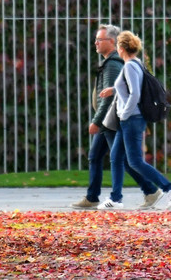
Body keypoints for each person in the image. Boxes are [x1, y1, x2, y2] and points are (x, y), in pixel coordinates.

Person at [99, 30, 171, 211]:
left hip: (131, 119)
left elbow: (135, 94)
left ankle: (170, 188)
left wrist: (125, 113)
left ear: (121, 47)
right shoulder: (136, 63)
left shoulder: (129, 66)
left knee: (135, 161)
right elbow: (129, 89)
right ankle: (115, 198)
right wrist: (113, 90)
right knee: (116, 157)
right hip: (129, 119)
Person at [72, 24, 141, 209]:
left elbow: (109, 98)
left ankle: (150, 190)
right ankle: (93, 197)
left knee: (122, 160)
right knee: (96, 156)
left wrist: (96, 121)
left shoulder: (112, 64)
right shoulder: (110, 62)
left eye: (99, 39)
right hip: (107, 121)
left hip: (109, 121)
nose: (95, 43)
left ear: (112, 42)